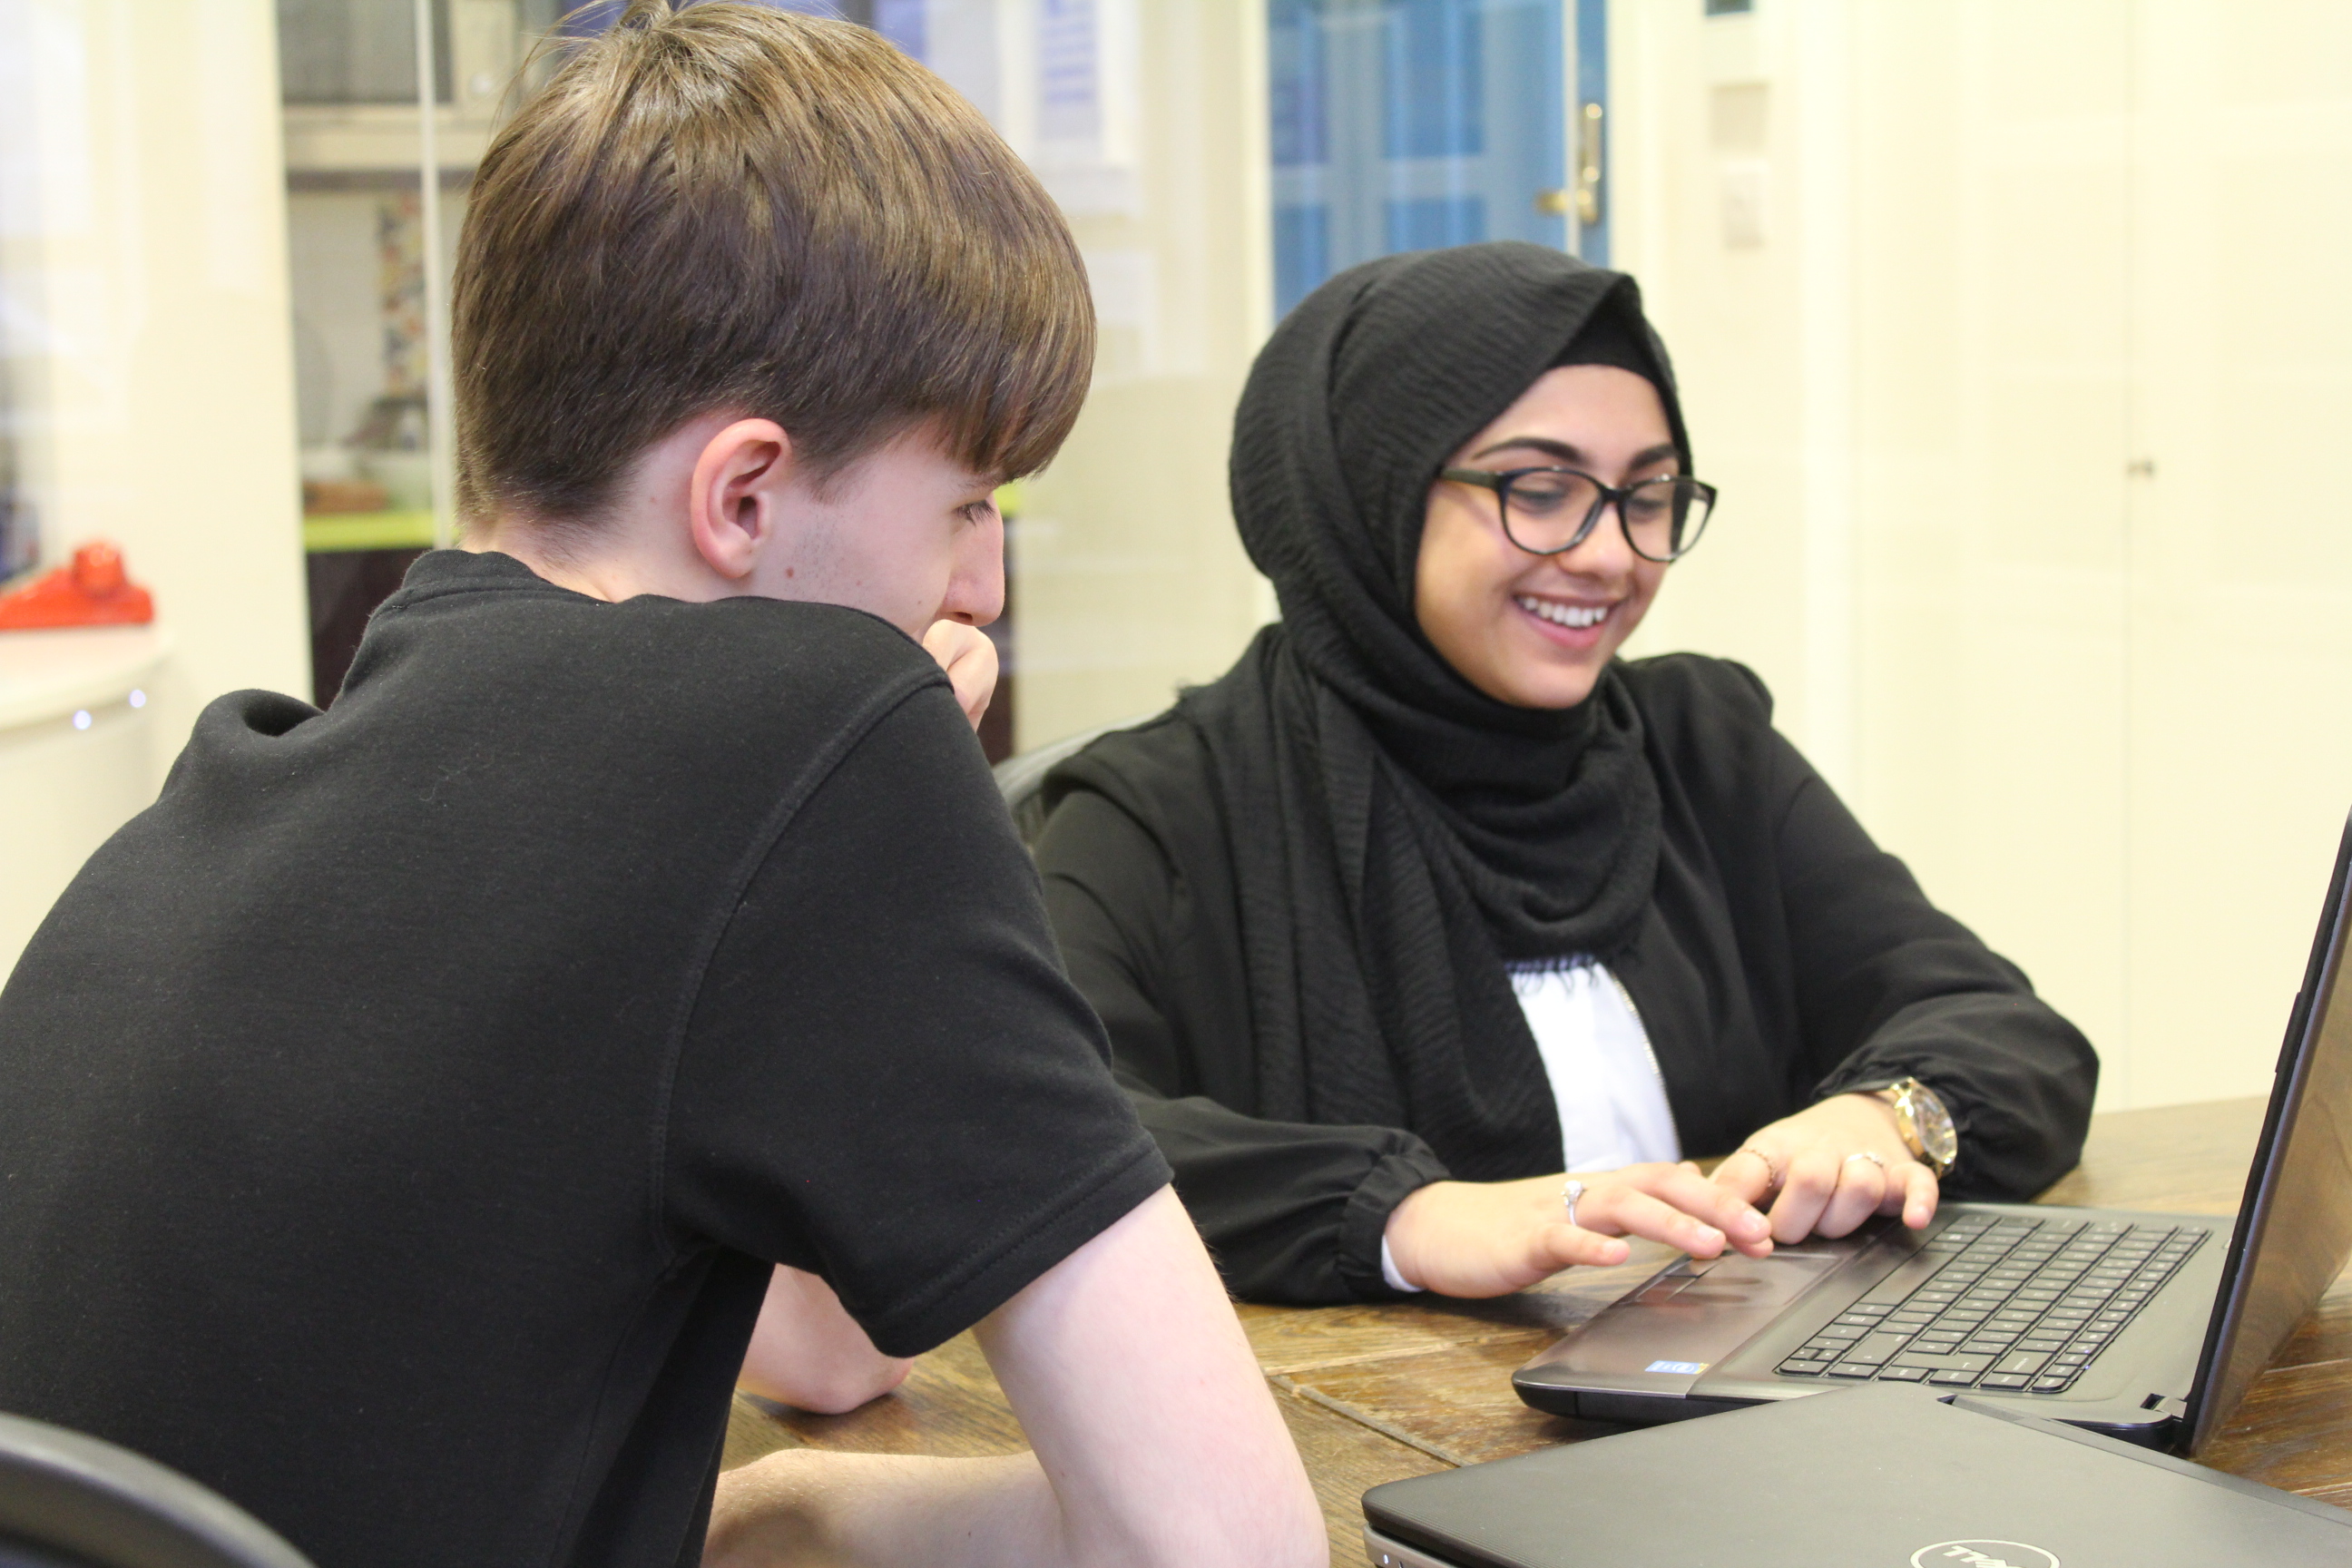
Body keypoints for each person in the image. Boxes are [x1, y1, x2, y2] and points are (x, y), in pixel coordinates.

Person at [0, 7, 1325, 1568]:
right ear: (743, 494)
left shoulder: (233, 798)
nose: (985, 576)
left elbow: (833, 1357)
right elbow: (1229, 1543)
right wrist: (888, 759)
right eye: (968, 497)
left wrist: (782, 1504)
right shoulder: (797, 734)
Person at [1031, 240, 2099, 1305]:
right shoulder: (1159, 812)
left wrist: (1882, 1116)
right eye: (1541, 490)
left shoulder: (1699, 744)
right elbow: (1046, 1128)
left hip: (1732, 1404)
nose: (1610, 555)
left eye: (1649, 495)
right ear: (1370, 491)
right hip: (1336, 1441)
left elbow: (2009, 1034)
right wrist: (1408, 1216)